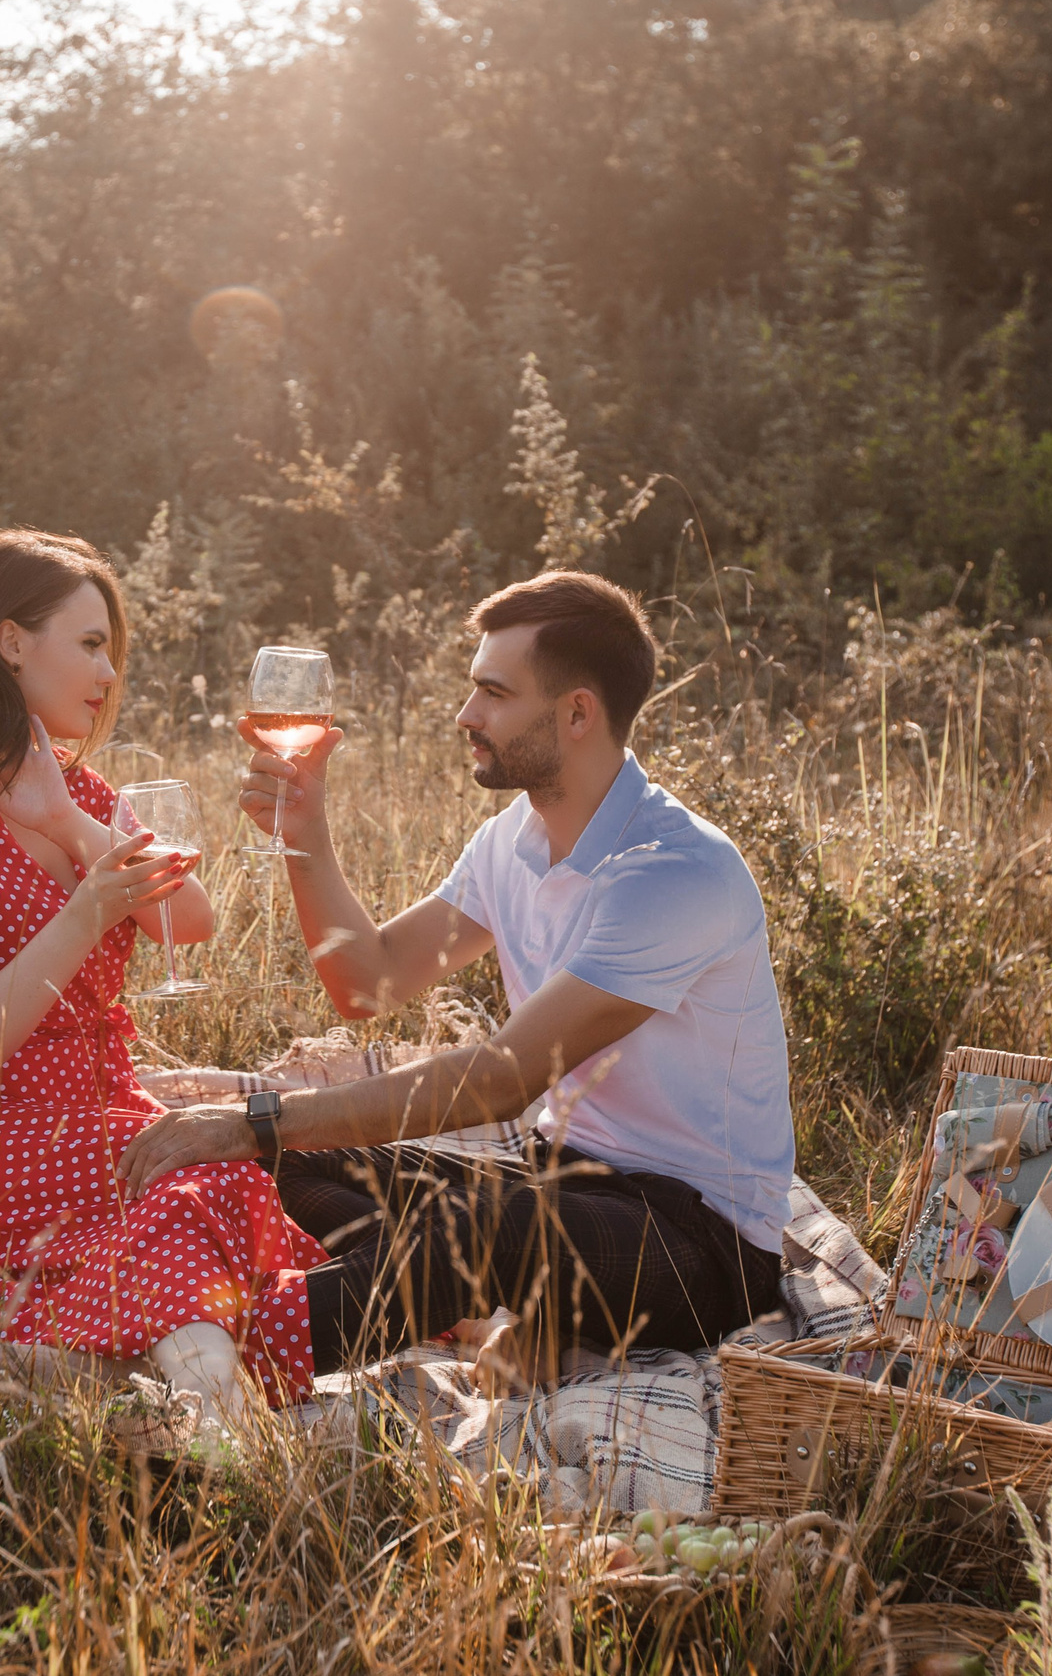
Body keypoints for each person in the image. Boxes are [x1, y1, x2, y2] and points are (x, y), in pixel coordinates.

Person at [118, 571, 792, 1383]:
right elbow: (367, 983)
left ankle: (194, 1371)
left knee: (455, 1225)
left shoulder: (674, 871)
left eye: (494, 694)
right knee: (280, 1162)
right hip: (558, 1180)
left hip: (699, 1240)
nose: (466, 714)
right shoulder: (512, 839)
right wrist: (306, 831)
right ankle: (479, 1308)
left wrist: (258, 1117)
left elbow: (502, 1079)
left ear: (578, 712)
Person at [0, 528, 323, 1423]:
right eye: (91, 643)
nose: (109, 672)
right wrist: (86, 913)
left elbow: (190, 920)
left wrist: (66, 823)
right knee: (204, 1182)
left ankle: (188, 1389)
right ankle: (220, 1413)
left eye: (111, 649)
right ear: (11, 642)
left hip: (78, 1117)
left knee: (207, 1174)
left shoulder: (84, 795)